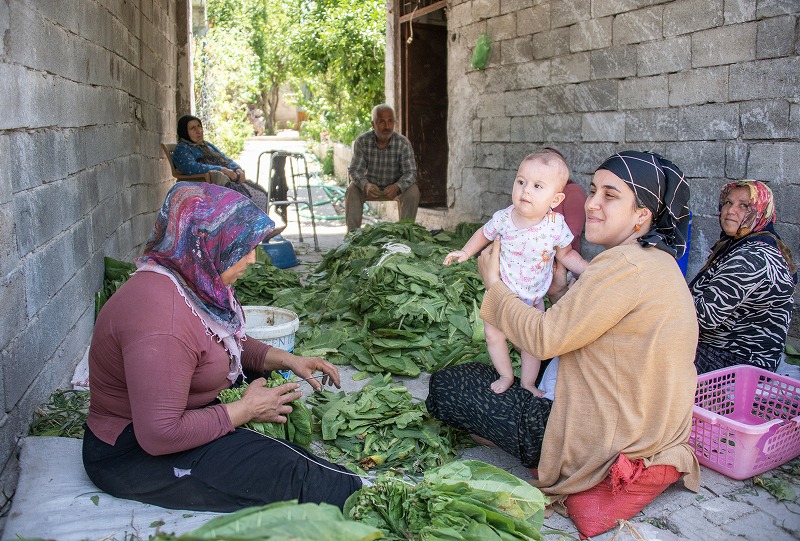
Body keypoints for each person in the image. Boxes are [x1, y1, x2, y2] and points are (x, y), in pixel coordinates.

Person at [427, 151, 701, 538]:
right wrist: (557, 291)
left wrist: (495, 286)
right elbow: (588, 326)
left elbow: (543, 336)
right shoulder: (655, 262)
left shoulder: (619, 266)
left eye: (610, 195)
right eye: (592, 190)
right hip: (647, 428)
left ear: (641, 216)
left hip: (601, 442)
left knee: (449, 385)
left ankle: (557, 459)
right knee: (524, 364)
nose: (591, 203)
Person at [83, 182, 361, 512]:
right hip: (132, 454)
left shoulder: (187, 277)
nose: (254, 259)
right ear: (208, 243)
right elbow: (159, 435)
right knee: (303, 477)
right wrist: (246, 410)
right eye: (243, 248)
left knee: (290, 450)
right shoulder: (163, 322)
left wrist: (288, 359)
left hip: (185, 416)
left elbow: (227, 342)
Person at [443, 149, 587, 395]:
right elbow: (483, 234)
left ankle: (528, 383)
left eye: (537, 186)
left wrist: (590, 270)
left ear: (555, 200)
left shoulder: (555, 226)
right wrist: (466, 252)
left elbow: (566, 254)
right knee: (493, 335)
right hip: (500, 294)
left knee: (531, 343)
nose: (526, 190)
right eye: (521, 182)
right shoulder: (504, 218)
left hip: (533, 300)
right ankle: (506, 374)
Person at [690, 180, 797, 374]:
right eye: (728, 203)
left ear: (761, 212)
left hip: (736, 360)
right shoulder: (739, 245)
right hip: (721, 350)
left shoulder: (752, 257)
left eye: (744, 206)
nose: (730, 211)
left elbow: (703, 317)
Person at [171, 115, 272, 217]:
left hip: (225, 181)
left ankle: (262, 230)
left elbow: (225, 159)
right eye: (193, 128)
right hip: (210, 185)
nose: (198, 131)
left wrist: (237, 169)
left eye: (199, 126)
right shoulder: (182, 149)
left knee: (261, 194)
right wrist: (221, 169)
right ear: (184, 132)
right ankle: (254, 231)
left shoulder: (207, 145)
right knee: (249, 198)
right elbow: (191, 167)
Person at [345, 104, 421, 232]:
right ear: (373, 124)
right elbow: (354, 170)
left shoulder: (403, 143)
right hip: (369, 188)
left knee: (413, 192)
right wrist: (366, 185)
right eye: (381, 121)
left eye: (390, 121)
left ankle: (406, 233)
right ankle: (352, 236)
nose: (387, 126)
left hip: (394, 188)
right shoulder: (362, 141)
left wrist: (397, 186)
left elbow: (411, 173)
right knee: (352, 190)